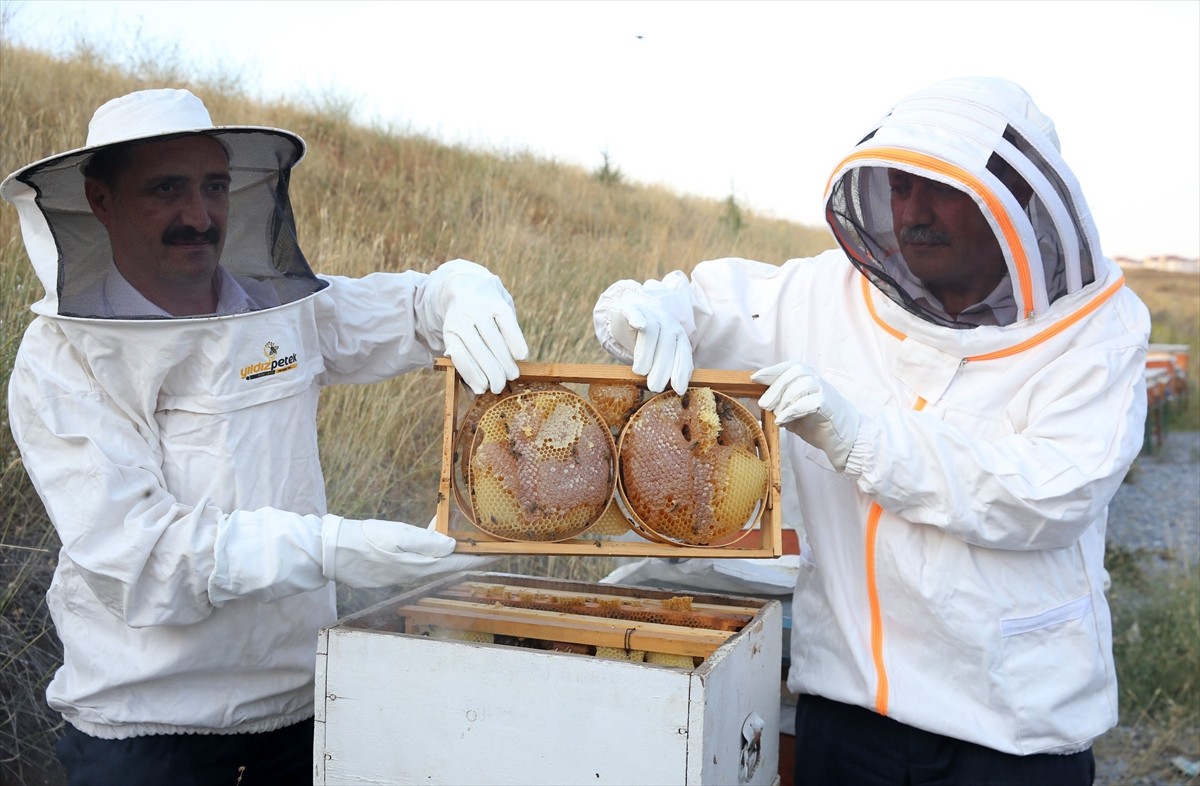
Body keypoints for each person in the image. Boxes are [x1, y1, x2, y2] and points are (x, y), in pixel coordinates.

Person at [592, 76, 1149, 785]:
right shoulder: (824, 296)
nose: (914, 211)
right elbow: (705, 308)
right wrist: (653, 309)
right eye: (899, 188)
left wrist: (858, 436)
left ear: (1012, 197)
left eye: (940, 189)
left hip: (1011, 731)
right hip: (847, 714)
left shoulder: (1096, 331)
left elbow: (1050, 492)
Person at [2, 88, 527, 785]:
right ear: (101, 200)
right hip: (147, 725)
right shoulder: (64, 357)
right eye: (166, 189)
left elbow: (402, 311)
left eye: (214, 186)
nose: (199, 216)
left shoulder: (276, 310)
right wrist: (333, 549)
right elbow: (142, 554)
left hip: (300, 705)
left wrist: (458, 290)